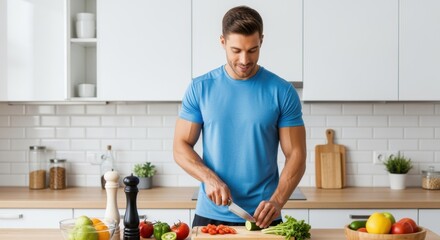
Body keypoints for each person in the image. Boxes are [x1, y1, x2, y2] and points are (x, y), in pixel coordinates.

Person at [173, 5, 306, 229]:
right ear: (222, 42)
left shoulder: (282, 91)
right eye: (236, 50)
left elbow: (296, 154)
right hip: (211, 214)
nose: (244, 60)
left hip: (264, 216)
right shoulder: (200, 88)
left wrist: (278, 200)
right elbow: (180, 146)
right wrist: (209, 178)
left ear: (261, 41)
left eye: (252, 50)